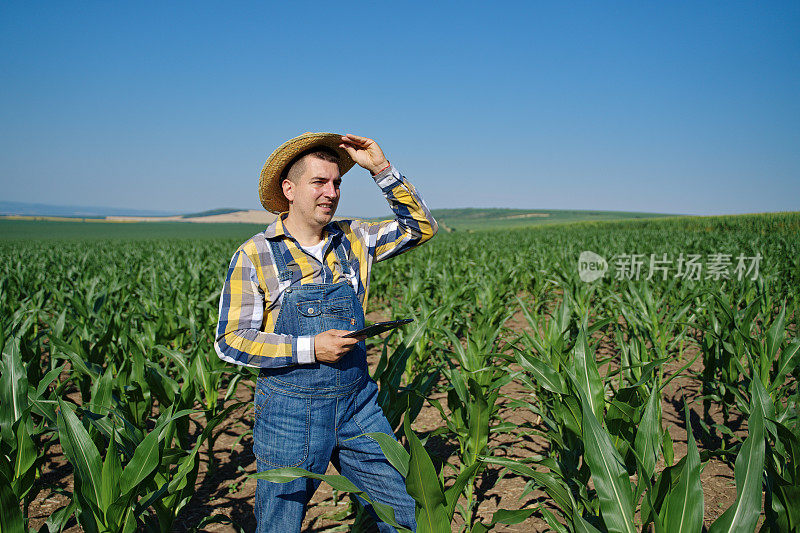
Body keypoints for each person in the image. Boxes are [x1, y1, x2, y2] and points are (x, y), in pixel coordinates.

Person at [214, 132, 437, 532]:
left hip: (358, 403)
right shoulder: (255, 255)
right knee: (279, 525)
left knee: (407, 515)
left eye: (337, 183)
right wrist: (309, 348)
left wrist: (382, 170)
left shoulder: (355, 237)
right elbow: (230, 340)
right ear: (290, 189)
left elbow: (420, 226)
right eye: (319, 182)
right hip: (289, 414)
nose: (331, 192)